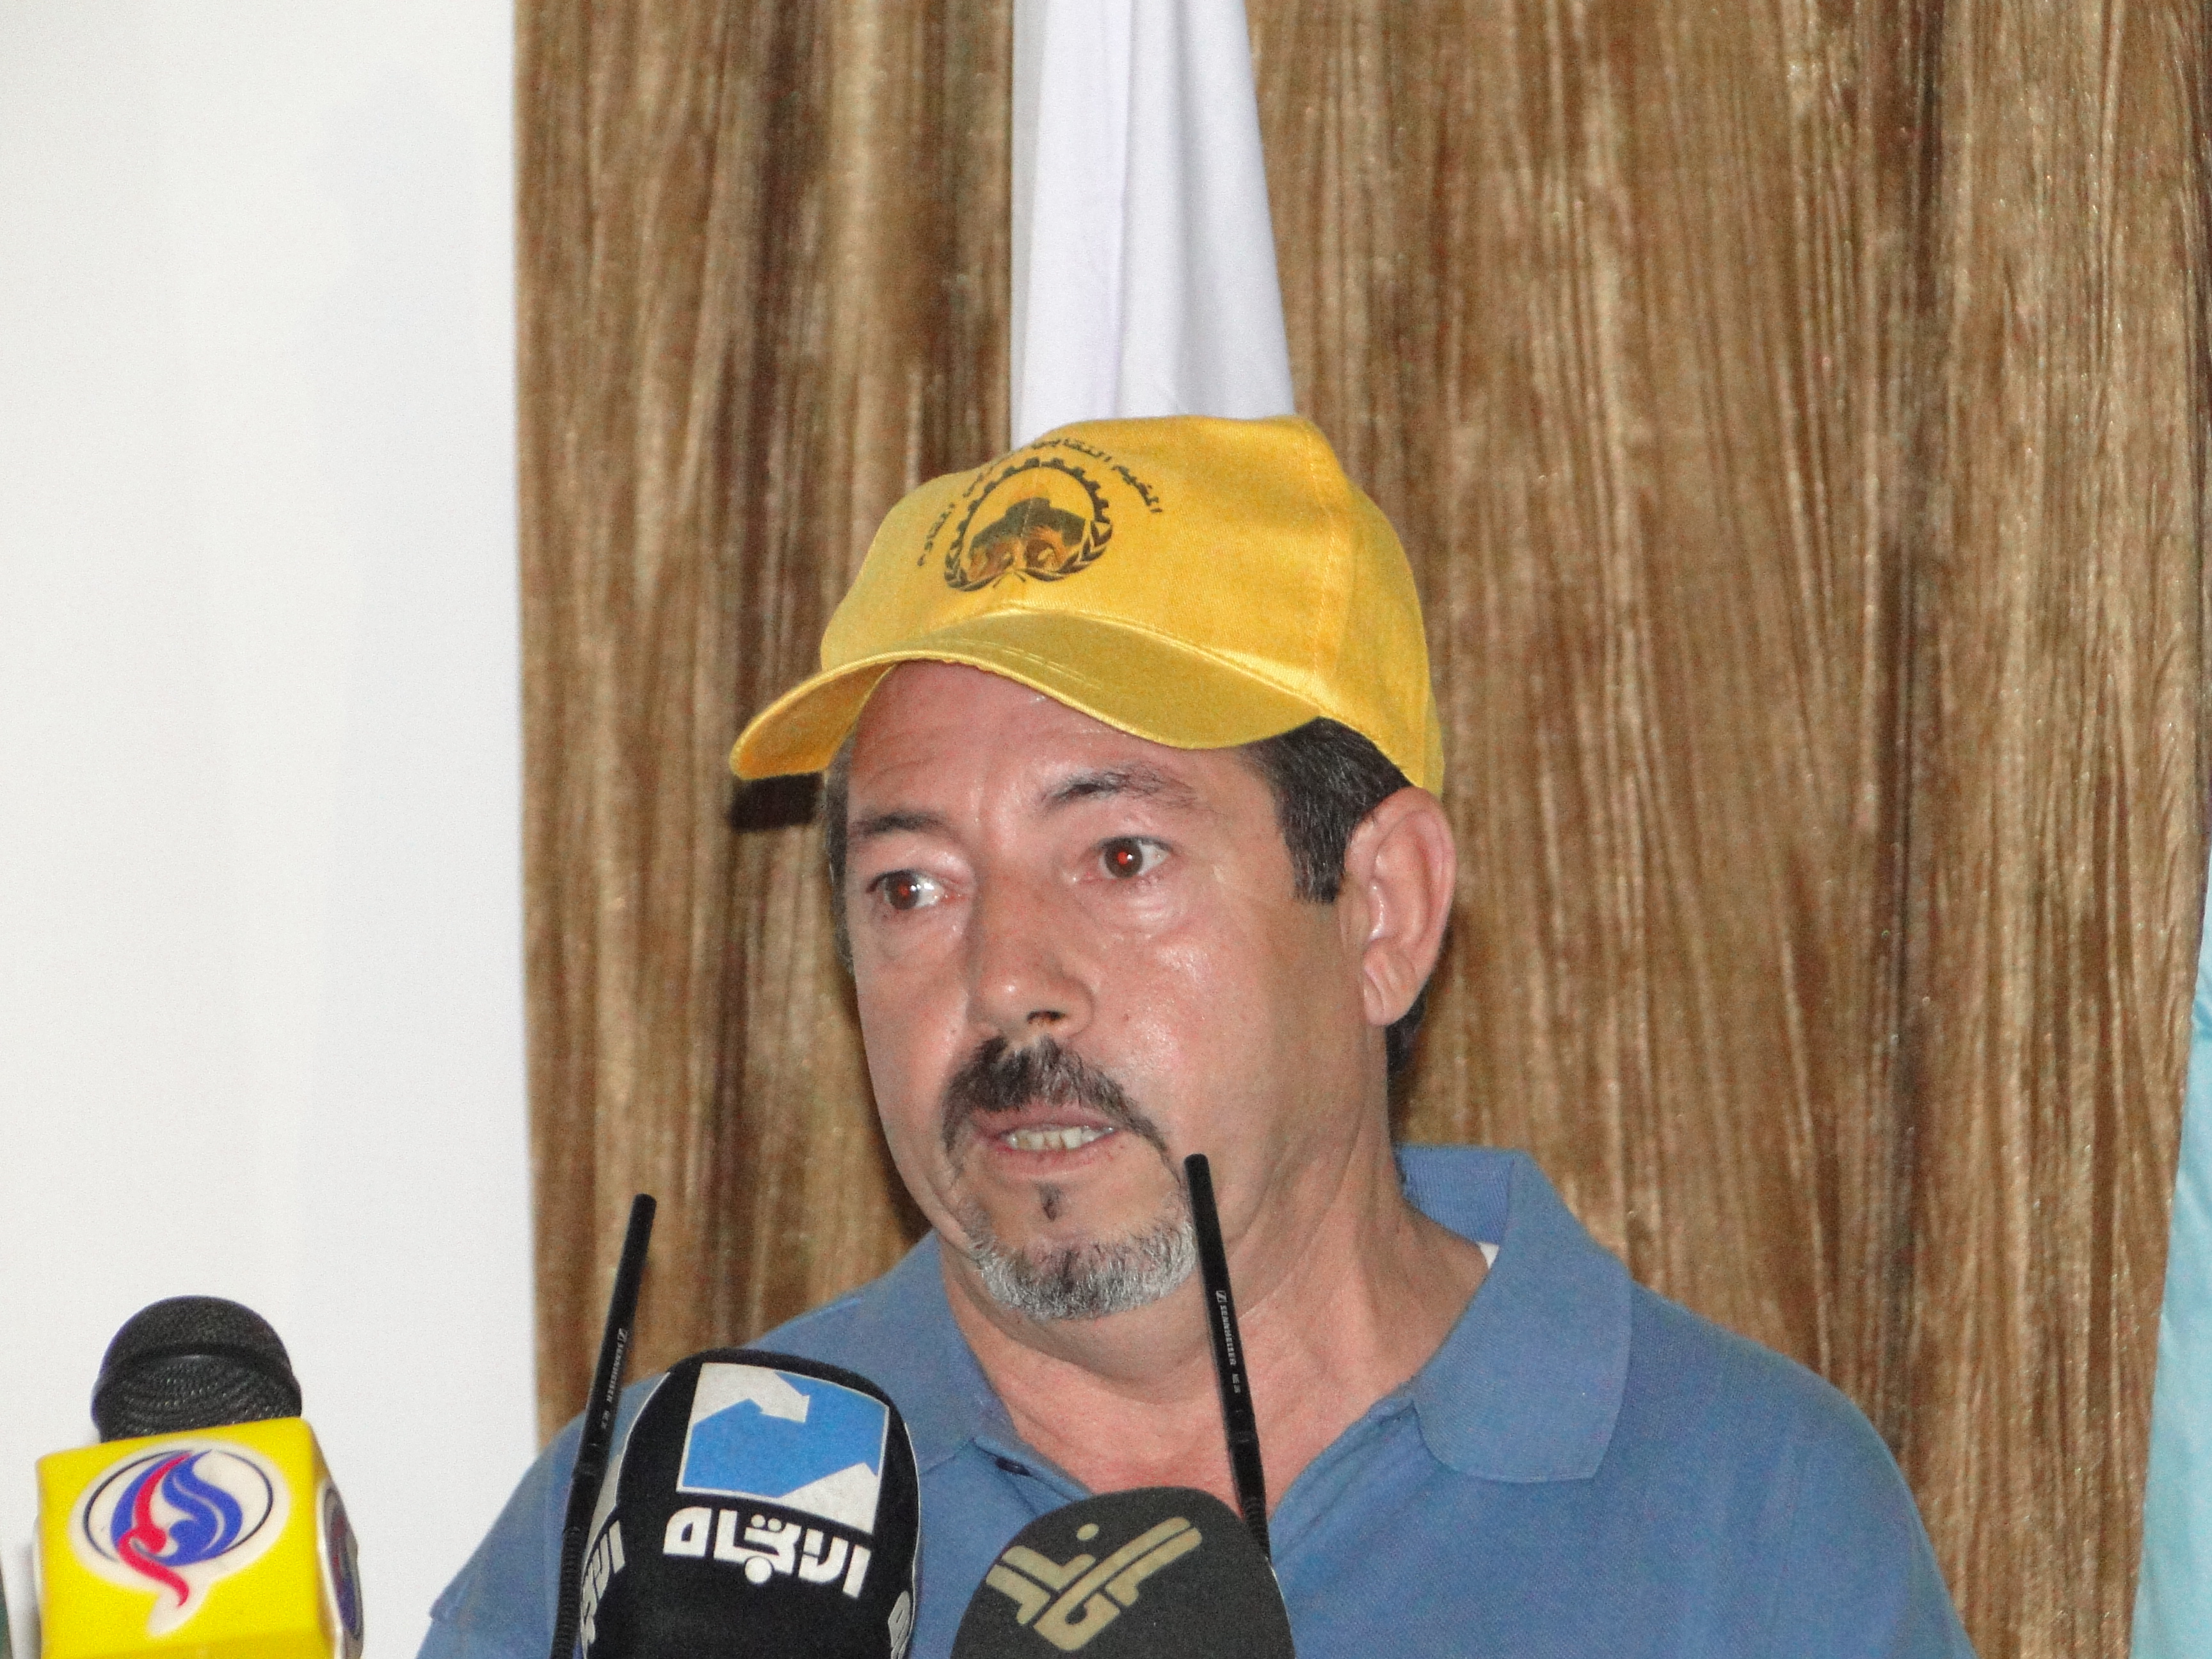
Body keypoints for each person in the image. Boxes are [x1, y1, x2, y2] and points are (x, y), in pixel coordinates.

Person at [422, 415, 1972, 1657]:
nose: (1005, 983)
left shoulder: (1745, 1506)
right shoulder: (668, 1518)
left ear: (1383, 910)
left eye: (1120, 858)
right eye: (913, 887)